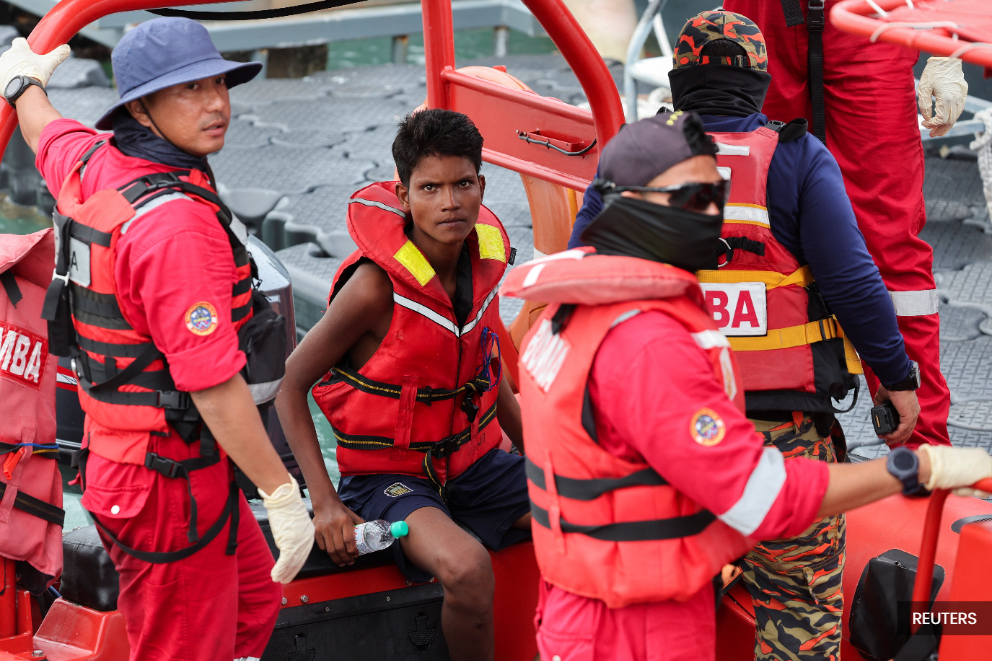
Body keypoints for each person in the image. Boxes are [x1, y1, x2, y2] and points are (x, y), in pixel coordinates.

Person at [504, 109, 992, 661]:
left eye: (714, 195)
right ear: (624, 202)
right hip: (638, 633)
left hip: (577, 611)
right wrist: (916, 468)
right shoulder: (648, 344)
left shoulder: (565, 311)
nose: (710, 215)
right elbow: (765, 500)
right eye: (687, 199)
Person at [567, 12, 921, 657]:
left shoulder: (635, 156)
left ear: (678, 82)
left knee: (657, 607)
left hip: (658, 430)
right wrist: (896, 379)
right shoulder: (799, 157)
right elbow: (853, 282)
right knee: (799, 606)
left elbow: (580, 272)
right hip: (781, 439)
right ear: (760, 85)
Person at [2, 19, 315, 660]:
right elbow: (214, 385)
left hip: (143, 465)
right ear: (140, 108)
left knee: (252, 602)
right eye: (190, 90)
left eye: (220, 85)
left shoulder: (99, 162)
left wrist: (20, 83)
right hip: (167, 483)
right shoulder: (177, 229)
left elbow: (44, 131)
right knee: (184, 648)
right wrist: (282, 494)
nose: (217, 104)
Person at [275, 108, 527, 661]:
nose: (451, 202)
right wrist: (322, 504)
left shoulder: (485, 263)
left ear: (482, 185)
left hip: (477, 467)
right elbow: (290, 386)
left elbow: (489, 368)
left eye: (463, 184)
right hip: (390, 479)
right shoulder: (373, 288)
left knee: (591, 511)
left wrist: (543, 455)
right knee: (466, 566)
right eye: (430, 187)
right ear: (403, 194)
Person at [718, 0, 965, 450]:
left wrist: (948, 45)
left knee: (889, 240)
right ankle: (783, 425)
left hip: (870, 19)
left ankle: (922, 454)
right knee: (755, 228)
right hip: (759, 17)